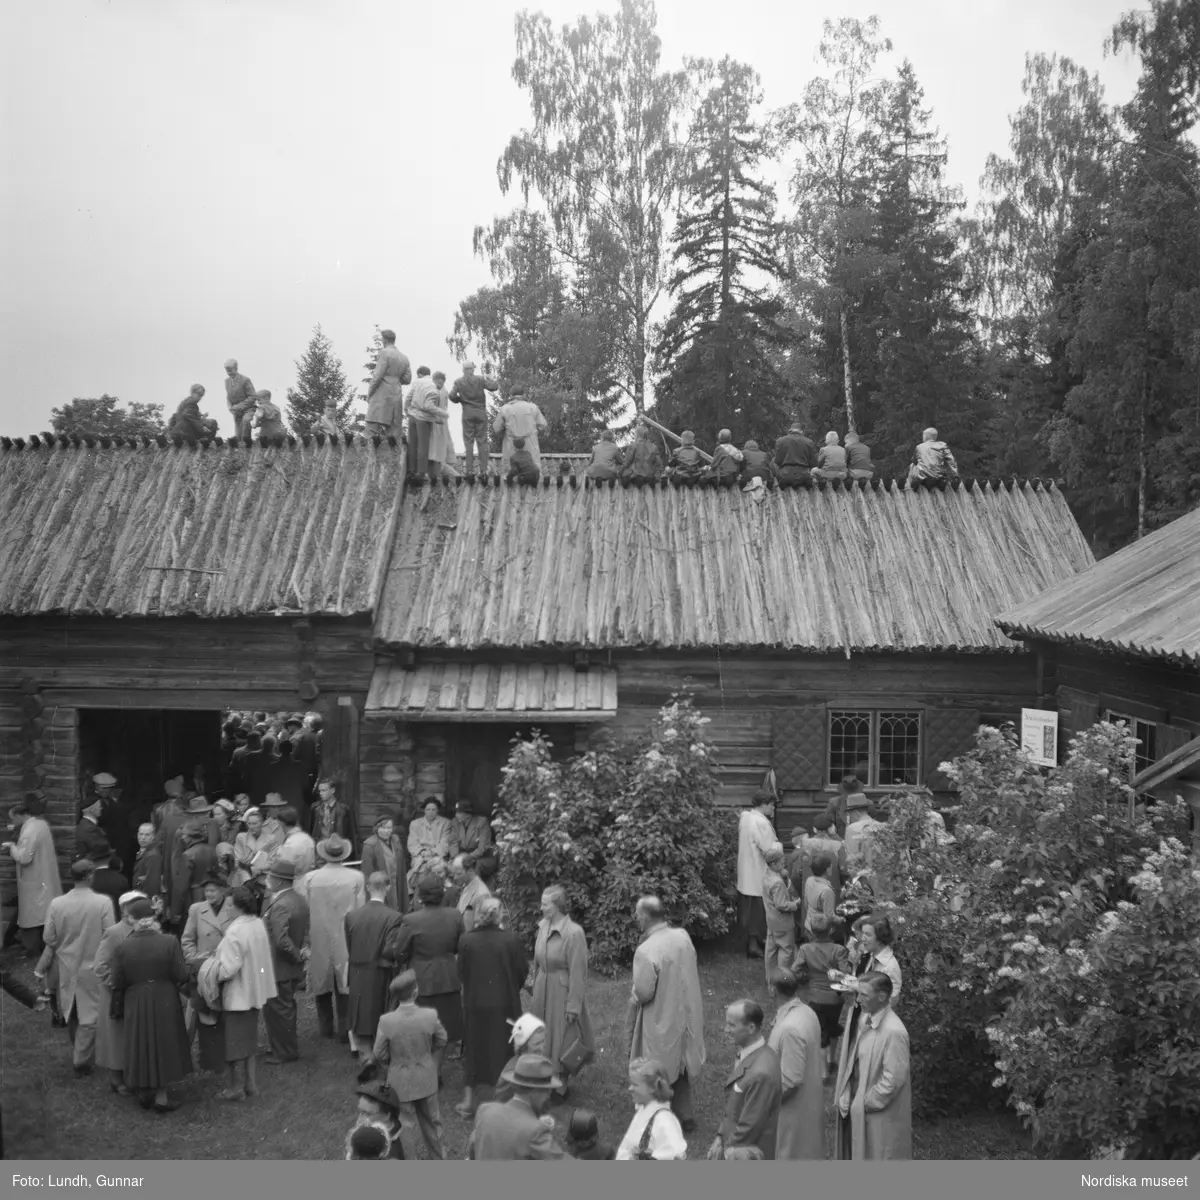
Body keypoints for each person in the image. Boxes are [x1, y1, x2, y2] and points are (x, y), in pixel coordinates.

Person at [626, 895, 705, 1133]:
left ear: (645, 916)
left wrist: (635, 995)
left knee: (655, 1067)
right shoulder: (682, 937)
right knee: (680, 1062)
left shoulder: (646, 950)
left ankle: (657, 1119)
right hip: (686, 1010)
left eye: (637, 915)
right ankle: (685, 1114)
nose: (636, 919)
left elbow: (644, 992)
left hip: (661, 1015)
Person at [109, 897, 192, 1112]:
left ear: (133, 920)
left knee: (141, 1041)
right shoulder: (169, 941)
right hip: (164, 996)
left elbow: (117, 981)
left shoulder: (122, 947)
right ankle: (161, 1097)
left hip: (136, 999)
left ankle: (145, 1090)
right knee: (163, 1042)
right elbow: (181, 973)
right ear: (153, 918)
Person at [39, 860, 114, 1075]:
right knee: (90, 1014)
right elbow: (110, 934)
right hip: (94, 964)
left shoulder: (57, 903)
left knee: (71, 1009)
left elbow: (48, 937)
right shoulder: (103, 902)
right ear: (90, 876)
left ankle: (80, 1053)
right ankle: (81, 1060)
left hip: (66, 964)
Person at [457, 895, 527, 1119]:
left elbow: (462, 973)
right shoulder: (511, 939)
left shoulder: (466, 940)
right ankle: (506, 1098)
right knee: (506, 1048)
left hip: (476, 1002)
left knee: (475, 1049)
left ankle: (469, 1101)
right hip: (505, 1002)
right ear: (499, 915)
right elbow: (521, 972)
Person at [386, 874, 465, 1069]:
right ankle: (435, 1070)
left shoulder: (411, 920)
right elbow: (459, 945)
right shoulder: (455, 915)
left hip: (421, 980)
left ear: (420, 896)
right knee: (443, 1026)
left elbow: (400, 952)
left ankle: (426, 1070)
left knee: (421, 1027)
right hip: (448, 977)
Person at [370, 969, 447, 1159]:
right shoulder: (429, 1015)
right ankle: (439, 1159)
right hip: (426, 1078)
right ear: (415, 992)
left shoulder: (386, 1021)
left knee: (405, 1126)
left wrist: (393, 1064)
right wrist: (427, 1053)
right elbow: (442, 1039)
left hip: (399, 1082)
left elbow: (378, 1052)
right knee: (433, 1123)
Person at [835, 971, 912, 1159]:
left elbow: (892, 1081)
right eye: (858, 994)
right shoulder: (866, 1017)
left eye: (864, 995)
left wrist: (864, 1102)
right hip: (860, 1102)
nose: (858, 999)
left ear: (882, 997)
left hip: (877, 1113)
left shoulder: (894, 1032)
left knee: (877, 1154)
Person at [212, 884, 277, 1102]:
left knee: (232, 1044)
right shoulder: (257, 923)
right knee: (249, 1042)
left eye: (229, 904)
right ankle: (251, 1084)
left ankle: (235, 1087)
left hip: (237, 994)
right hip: (254, 991)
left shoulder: (235, 931)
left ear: (238, 906)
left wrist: (211, 971)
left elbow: (229, 968)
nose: (226, 908)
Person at [530, 884, 595, 1099]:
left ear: (557, 906)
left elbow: (578, 972)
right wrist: (534, 982)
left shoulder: (574, 933)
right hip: (542, 989)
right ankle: (544, 1076)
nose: (541, 908)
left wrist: (573, 1005)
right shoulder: (542, 927)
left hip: (562, 991)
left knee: (562, 1037)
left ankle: (561, 1085)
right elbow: (537, 960)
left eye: (545, 904)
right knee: (543, 1035)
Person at [300, 834, 365, 1045]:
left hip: (318, 933)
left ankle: (325, 1027)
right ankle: (345, 1028)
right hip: (346, 932)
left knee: (321, 978)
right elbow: (361, 908)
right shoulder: (356, 877)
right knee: (345, 979)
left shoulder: (310, 879)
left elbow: (304, 908)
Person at [707, 1000, 782, 1161]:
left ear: (751, 1028)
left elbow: (748, 1128)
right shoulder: (751, 1054)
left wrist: (724, 1153)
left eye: (732, 1026)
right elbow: (734, 1109)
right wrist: (720, 1136)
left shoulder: (761, 1073)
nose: (726, 1030)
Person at [767, 968, 825, 1159]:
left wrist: (763, 1104)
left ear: (772, 990)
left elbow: (790, 1081)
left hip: (791, 1112)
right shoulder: (807, 1012)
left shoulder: (789, 1028)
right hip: (809, 1104)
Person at [345, 872, 402, 1063]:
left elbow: (349, 945)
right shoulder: (394, 917)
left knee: (360, 1016)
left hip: (358, 972)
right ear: (388, 888)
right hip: (381, 973)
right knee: (381, 1013)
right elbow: (391, 950)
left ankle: (367, 1057)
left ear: (368, 888)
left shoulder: (352, 916)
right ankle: (379, 1058)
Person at [467, 1055, 569, 1160]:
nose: (548, 1096)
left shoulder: (485, 1111)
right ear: (534, 1092)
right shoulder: (535, 1132)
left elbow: (473, 1149)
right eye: (547, 1091)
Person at [93, 890, 145, 1095]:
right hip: (117, 993)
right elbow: (100, 965)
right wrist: (118, 984)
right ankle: (117, 1078)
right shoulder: (115, 932)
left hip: (138, 991)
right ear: (124, 910)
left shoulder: (145, 930)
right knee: (117, 1036)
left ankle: (133, 1073)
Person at [181, 874, 236, 1062]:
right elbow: (187, 939)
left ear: (223, 891)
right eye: (206, 891)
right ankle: (184, 1051)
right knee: (196, 1008)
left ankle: (224, 1050)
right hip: (203, 969)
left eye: (213, 890)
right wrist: (193, 959)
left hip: (226, 966)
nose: (209, 894)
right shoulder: (196, 909)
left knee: (224, 1007)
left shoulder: (233, 907)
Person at [260, 859, 310, 1065]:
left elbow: (281, 940)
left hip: (277, 966)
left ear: (279, 881)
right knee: (284, 1008)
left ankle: (284, 1051)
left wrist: (296, 956)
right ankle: (281, 1047)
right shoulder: (298, 899)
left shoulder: (280, 904)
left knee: (278, 1010)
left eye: (270, 876)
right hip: (287, 967)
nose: (267, 880)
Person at [791, 912, 850, 1078]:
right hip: (836, 998)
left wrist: (806, 977)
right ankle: (832, 1060)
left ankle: (823, 1073)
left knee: (821, 1032)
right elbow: (845, 973)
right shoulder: (839, 950)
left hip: (815, 998)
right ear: (831, 930)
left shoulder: (805, 949)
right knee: (833, 1026)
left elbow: (795, 970)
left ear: (811, 930)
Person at [3, 803, 62, 955]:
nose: (12, 822)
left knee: (33, 916)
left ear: (19, 815)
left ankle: (33, 949)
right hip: (43, 877)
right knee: (44, 914)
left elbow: (24, 857)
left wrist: (11, 848)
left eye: (12, 818)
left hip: (34, 880)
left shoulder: (29, 831)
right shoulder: (41, 824)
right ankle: (42, 946)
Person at [615, 1057, 688, 1160]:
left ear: (652, 1088)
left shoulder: (664, 1123)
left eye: (635, 1084)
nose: (630, 1088)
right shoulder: (643, 1110)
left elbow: (675, 1156)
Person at [736, 790, 776, 959]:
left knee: (751, 910)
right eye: (771, 805)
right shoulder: (761, 823)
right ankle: (753, 946)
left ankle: (755, 941)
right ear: (763, 804)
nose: (773, 808)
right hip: (758, 871)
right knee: (757, 912)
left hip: (746, 870)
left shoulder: (746, 818)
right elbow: (769, 849)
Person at [449, 360, 501, 476]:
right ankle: (483, 471)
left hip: (467, 414)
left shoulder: (458, 382)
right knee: (482, 442)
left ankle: (470, 471)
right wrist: (491, 378)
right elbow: (494, 387)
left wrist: (460, 400)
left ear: (463, 370)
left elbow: (451, 396)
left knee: (469, 443)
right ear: (472, 369)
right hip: (481, 414)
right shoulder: (480, 379)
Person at [762, 843, 799, 990]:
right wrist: (794, 905)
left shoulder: (766, 876)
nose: (783, 865)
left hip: (771, 921)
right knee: (786, 950)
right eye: (781, 863)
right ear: (774, 864)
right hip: (782, 922)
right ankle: (781, 982)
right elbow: (781, 905)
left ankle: (770, 980)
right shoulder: (777, 882)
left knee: (770, 951)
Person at [365, 330, 412, 437]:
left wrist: (370, 393)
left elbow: (377, 376)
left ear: (384, 340)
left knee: (370, 432)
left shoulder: (384, 352)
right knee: (394, 437)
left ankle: (370, 454)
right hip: (396, 396)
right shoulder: (404, 358)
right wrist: (395, 378)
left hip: (380, 396)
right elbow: (408, 379)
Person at [493, 1013, 548, 1104]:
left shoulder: (533, 1061)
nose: (541, 1048)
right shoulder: (515, 1070)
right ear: (523, 1046)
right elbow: (502, 1102)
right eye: (537, 1044)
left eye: (543, 1041)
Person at [406, 366, 448, 482]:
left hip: (412, 417)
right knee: (423, 446)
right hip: (423, 419)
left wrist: (407, 411)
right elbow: (428, 406)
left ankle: (411, 470)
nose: (440, 388)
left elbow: (408, 398)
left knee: (412, 445)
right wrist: (443, 414)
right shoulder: (434, 390)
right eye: (441, 385)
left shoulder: (418, 383)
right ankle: (421, 473)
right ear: (439, 381)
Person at [493, 386, 548, 476]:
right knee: (533, 478)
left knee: (511, 478)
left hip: (511, 449)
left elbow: (497, 428)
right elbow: (543, 425)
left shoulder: (505, 409)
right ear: (524, 395)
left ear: (511, 396)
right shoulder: (533, 408)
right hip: (531, 450)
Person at [360, 814, 407, 913]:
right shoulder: (370, 845)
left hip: (397, 882)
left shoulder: (396, 840)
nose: (387, 831)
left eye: (389, 828)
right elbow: (368, 872)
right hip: (381, 884)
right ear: (377, 829)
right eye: (383, 827)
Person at [351, 1078, 406, 1159]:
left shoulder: (388, 1155)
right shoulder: (369, 1138)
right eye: (360, 1112)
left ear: (387, 1115)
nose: (359, 1120)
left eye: (368, 1114)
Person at [406, 797, 452, 890]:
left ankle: (437, 891)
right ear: (424, 810)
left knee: (437, 868)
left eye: (433, 809)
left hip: (437, 854)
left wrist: (432, 853)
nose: (430, 812)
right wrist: (422, 852)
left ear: (437, 810)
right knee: (419, 869)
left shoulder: (446, 823)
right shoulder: (415, 823)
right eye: (428, 809)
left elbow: (445, 842)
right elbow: (412, 842)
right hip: (420, 855)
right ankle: (416, 892)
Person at [265, 740, 311, 826]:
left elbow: (268, 787)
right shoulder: (300, 766)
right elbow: (306, 785)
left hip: (277, 804)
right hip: (296, 803)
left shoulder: (272, 767)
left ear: (279, 750)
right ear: (292, 750)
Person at [232, 806, 280, 887]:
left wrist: (258, 869)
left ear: (262, 823)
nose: (251, 827)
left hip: (264, 876)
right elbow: (238, 862)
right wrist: (247, 878)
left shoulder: (271, 839)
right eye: (249, 824)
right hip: (243, 877)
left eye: (254, 823)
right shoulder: (241, 837)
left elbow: (272, 862)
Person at [449, 799, 496, 880]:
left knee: (473, 865)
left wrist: (467, 857)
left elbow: (482, 848)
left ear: (468, 814)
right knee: (450, 864)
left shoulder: (482, 822)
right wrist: (455, 857)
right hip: (461, 854)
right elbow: (453, 842)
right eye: (456, 812)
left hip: (482, 857)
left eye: (459, 812)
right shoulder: (455, 822)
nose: (456, 815)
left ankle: (474, 889)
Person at [309, 779, 356, 857]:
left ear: (332, 790)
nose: (321, 793)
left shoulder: (344, 809)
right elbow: (311, 829)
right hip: (319, 850)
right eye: (320, 791)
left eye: (324, 790)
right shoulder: (315, 808)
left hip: (337, 849)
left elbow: (352, 833)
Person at [448, 854, 491, 933]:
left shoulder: (482, 894)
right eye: (454, 874)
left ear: (470, 870)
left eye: (458, 874)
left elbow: (481, 929)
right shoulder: (466, 884)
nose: (455, 878)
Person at [803, 853, 837, 941]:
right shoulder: (827, 890)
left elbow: (806, 903)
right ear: (827, 869)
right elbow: (829, 917)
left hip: (809, 924)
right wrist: (841, 919)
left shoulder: (809, 880)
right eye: (831, 866)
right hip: (821, 932)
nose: (832, 868)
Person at [275, 805, 316, 878]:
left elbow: (283, 870)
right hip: (307, 880)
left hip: (293, 883)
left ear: (281, 823)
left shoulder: (290, 844)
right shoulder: (307, 838)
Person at [130, 822, 164, 909]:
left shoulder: (152, 855)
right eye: (141, 834)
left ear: (153, 837)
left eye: (147, 835)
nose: (143, 838)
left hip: (146, 900)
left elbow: (152, 883)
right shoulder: (144, 852)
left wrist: (150, 904)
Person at [428, 371, 455, 478]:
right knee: (442, 450)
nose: (439, 385)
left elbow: (431, 407)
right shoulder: (444, 390)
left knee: (435, 452)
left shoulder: (435, 389)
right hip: (442, 422)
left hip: (436, 422)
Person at [224, 359, 257, 439]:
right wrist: (230, 407)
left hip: (249, 409)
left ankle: (248, 445)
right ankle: (239, 448)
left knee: (246, 421)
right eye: (227, 371)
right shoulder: (226, 381)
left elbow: (253, 396)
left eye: (231, 371)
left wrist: (238, 406)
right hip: (236, 411)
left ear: (236, 368)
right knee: (238, 434)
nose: (229, 373)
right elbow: (228, 396)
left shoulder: (245, 380)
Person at [75, 799, 112, 864]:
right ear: (92, 809)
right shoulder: (88, 827)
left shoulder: (89, 824)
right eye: (99, 806)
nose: (101, 808)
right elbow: (100, 847)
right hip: (96, 864)